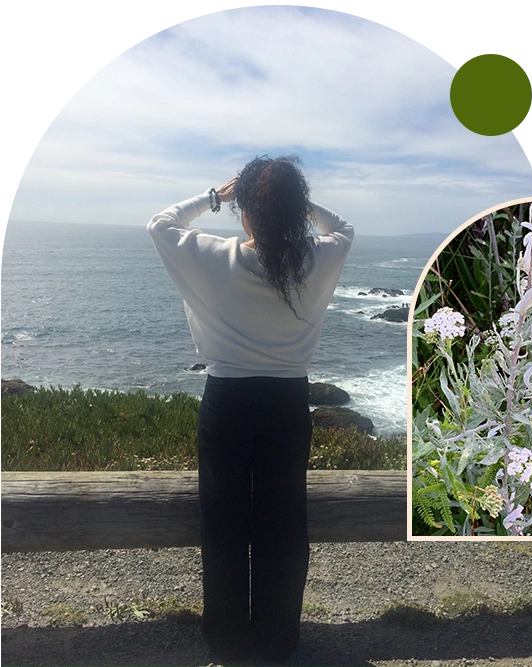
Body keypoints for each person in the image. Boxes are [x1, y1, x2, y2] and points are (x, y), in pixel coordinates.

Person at [147, 156, 354, 663]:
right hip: (288, 403)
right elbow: (345, 226)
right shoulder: (319, 256)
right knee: (284, 522)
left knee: (223, 520)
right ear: (295, 213)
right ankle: (277, 637)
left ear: (246, 213)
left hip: (228, 403)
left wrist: (214, 196)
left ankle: (227, 638)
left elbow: (161, 224)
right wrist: (294, 204)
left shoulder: (214, 256)